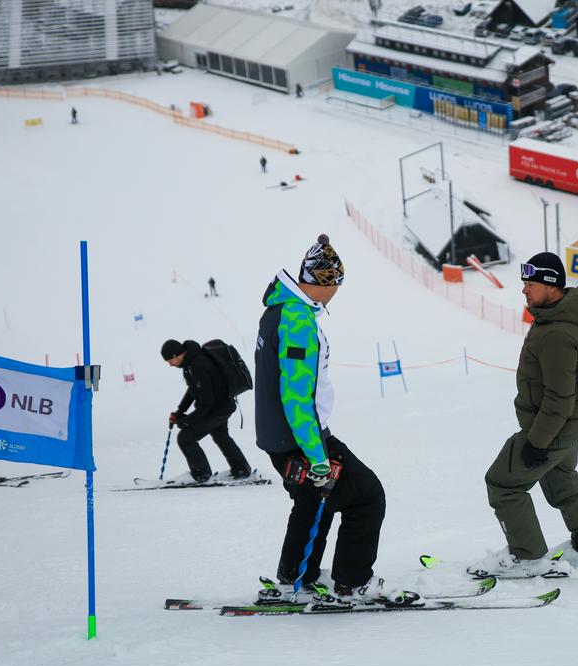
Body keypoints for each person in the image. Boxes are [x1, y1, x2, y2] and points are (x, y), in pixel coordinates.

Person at [252, 235, 413, 605]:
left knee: (313, 503)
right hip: (300, 438)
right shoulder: (297, 320)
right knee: (367, 495)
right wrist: (317, 455)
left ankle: (296, 578)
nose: (336, 293)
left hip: (286, 436)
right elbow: (297, 397)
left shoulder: (280, 309)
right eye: (337, 284)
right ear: (327, 282)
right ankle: (352, 582)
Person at [472, 252, 578, 578]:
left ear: (550, 284)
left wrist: (537, 442)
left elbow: (559, 398)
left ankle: (527, 557)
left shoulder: (558, 332)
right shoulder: (563, 319)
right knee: (563, 483)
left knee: (503, 483)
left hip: (552, 428)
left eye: (530, 284)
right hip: (569, 426)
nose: (524, 290)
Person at [161, 338, 252, 483]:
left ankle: (201, 474)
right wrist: (180, 412)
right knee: (221, 436)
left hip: (218, 409)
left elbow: (206, 404)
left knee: (185, 438)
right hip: (222, 406)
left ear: (175, 355)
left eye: (169, 361)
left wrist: (187, 421)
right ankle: (242, 468)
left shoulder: (197, 365)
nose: (170, 364)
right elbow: (193, 390)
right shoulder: (191, 362)